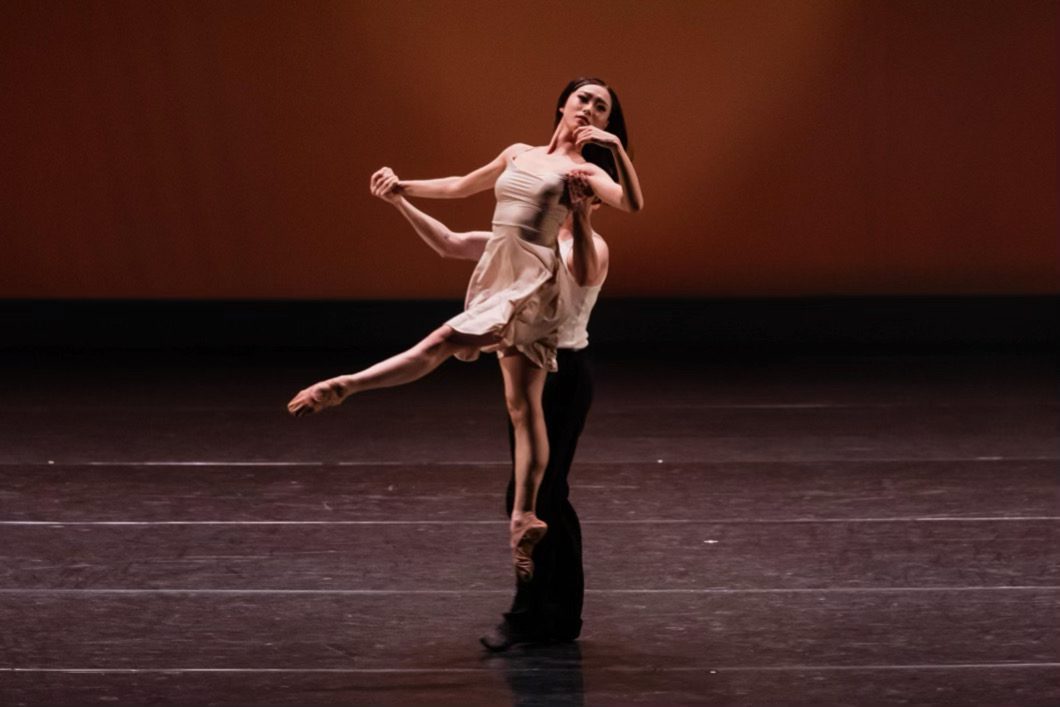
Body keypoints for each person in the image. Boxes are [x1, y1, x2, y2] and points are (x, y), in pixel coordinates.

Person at [287, 77, 641, 585]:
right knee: (515, 404)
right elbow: (459, 190)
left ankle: (346, 386)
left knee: (468, 362)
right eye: (583, 98)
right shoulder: (518, 153)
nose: (589, 108)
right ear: (563, 103)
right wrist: (402, 191)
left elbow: (631, 203)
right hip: (505, 266)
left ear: (607, 123)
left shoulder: (584, 172)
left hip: (535, 287)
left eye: (602, 107)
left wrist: (614, 151)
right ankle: (522, 516)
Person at [373, 174, 608, 651]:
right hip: (530, 371)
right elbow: (450, 242)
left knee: (542, 496)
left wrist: (580, 215)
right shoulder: (520, 242)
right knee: (541, 496)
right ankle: (555, 615)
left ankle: (535, 615)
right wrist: (400, 201)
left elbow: (580, 274)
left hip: (563, 375)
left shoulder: (590, 245)